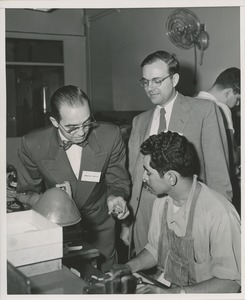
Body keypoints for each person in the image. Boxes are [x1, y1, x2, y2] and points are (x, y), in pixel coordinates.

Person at [124, 50, 232, 256]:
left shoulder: (205, 111)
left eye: (157, 80)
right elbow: (135, 176)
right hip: (145, 218)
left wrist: (219, 229)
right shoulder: (140, 121)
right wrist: (128, 224)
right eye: (145, 82)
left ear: (174, 79)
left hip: (188, 216)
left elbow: (219, 176)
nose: (150, 88)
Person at [15, 85, 131, 272]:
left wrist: (115, 197)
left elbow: (118, 181)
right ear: (54, 121)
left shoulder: (110, 135)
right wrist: (54, 199)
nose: (81, 132)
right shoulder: (33, 143)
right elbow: (25, 193)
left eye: (86, 122)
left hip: (100, 226)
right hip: (57, 229)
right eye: (72, 127)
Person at [126, 131, 241, 294]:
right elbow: (155, 249)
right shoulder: (161, 201)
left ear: (171, 178)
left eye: (148, 172)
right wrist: (128, 267)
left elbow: (231, 284)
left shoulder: (220, 214)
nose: (143, 177)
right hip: (168, 287)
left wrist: (173, 294)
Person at [196, 68, 240, 211]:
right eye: (237, 99)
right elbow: (231, 155)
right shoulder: (221, 108)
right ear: (228, 92)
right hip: (216, 183)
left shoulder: (192, 101)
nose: (238, 105)